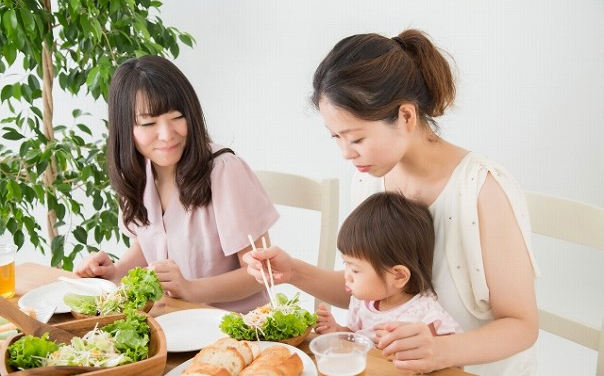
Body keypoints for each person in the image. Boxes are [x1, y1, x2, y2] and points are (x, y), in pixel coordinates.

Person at [244, 29, 539, 374]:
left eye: (355, 138)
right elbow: (376, 290)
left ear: (406, 117)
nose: (345, 153)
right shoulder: (369, 179)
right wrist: (293, 271)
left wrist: (442, 350)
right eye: (336, 138)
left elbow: (522, 325)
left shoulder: (483, 190)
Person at [75, 55, 279, 313]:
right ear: (125, 130)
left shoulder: (224, 171)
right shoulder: (137, 175)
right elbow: (149, 244)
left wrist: (191, 288)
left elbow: (262, 272)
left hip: (238, 329)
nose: (167, 134)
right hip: (173, 321)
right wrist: (114, 272)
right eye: (149, 123)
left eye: (176, 117)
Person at [314, 192, 462, 341]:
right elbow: (355, 338)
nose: (347, 275)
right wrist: (337, 330)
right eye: (345, 264)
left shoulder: (425, 314)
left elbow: (449, 353)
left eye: (355, 270)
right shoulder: (361, 302)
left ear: (398, 276)